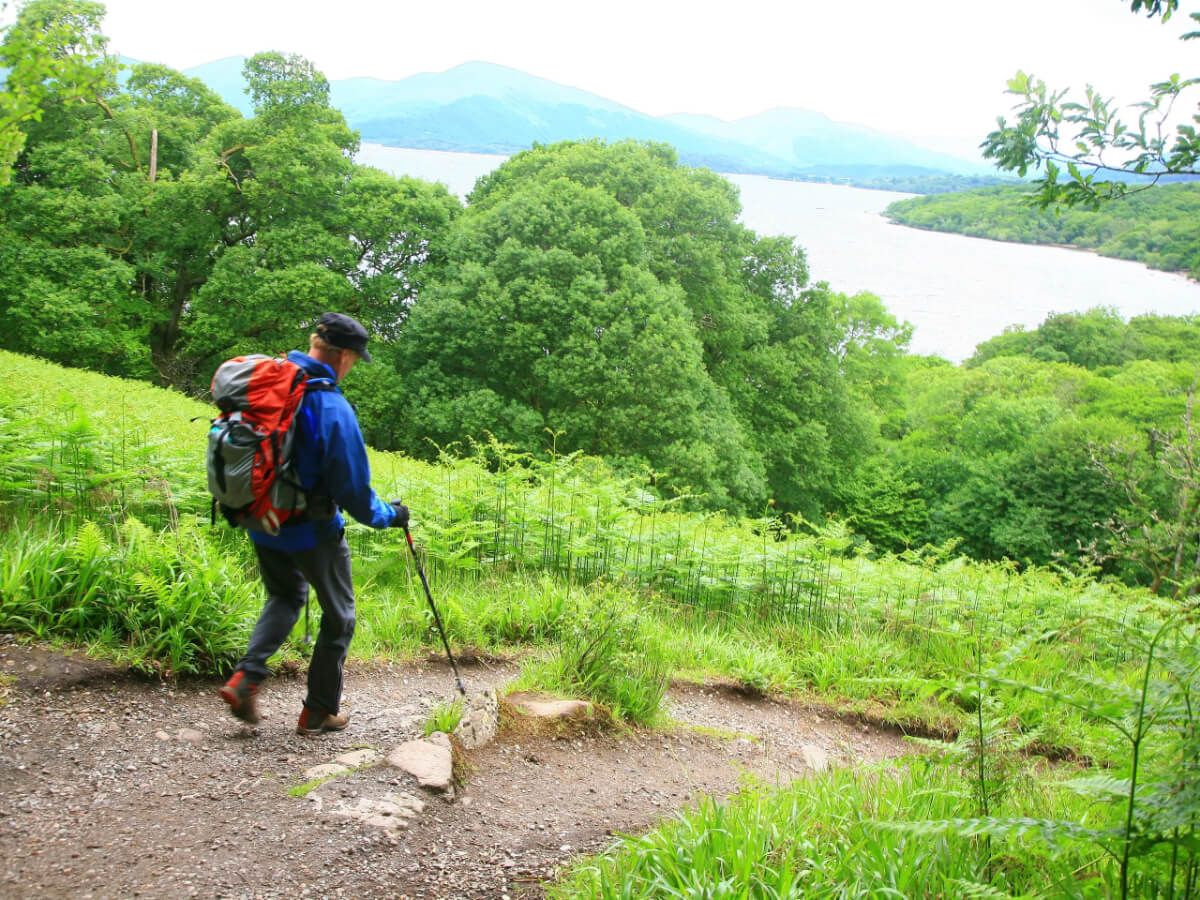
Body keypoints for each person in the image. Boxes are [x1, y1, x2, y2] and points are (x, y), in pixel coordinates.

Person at [218, 312, 408, 735]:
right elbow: (354, 491)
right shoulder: (330, 407)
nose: (353, 366)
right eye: (355, 359)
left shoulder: (273, 382)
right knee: (340, 616)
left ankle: (245, 678)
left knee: (286, 596)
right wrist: (390, 516)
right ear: (342, 355)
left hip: (262, 517)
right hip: (313, 529)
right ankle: (319, 711)